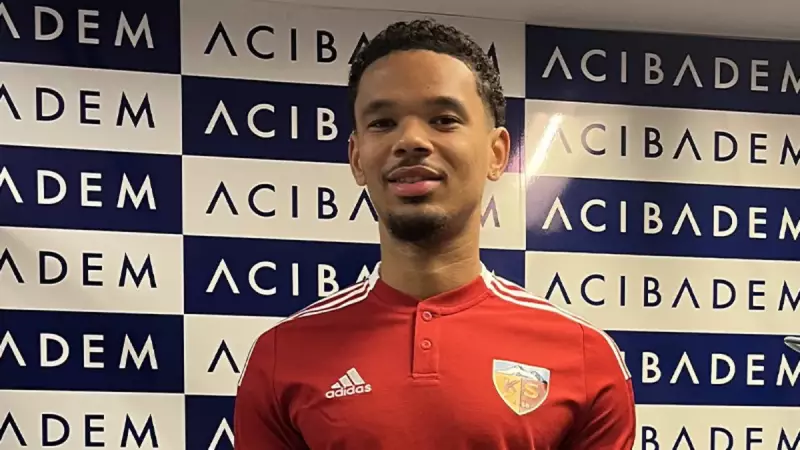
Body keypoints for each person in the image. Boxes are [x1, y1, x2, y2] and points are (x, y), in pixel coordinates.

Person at [233, 18, 636, 449]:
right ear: (357, 158)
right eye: (382, 123)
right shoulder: (281, 356)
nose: (410, 140)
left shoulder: (585, 358)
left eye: (443, 120)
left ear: (497, 153)